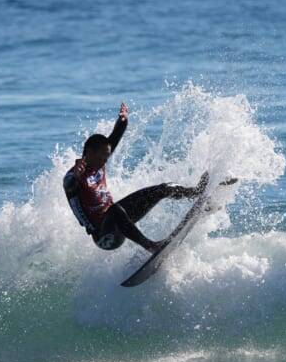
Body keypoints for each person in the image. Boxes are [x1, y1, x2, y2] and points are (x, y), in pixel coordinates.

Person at [63, 102, 208, 253]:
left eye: (107, 156)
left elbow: (115, 135)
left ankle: (196, 192)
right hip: (105, 237)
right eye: (103, 157)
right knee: (114, 210)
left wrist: (123, 120)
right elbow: (69, 184)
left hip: (120, 222)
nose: (105, 161)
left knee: (163, 189)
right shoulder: (73, 176)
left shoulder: (98, 161)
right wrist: (76, 176)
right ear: (90, 153)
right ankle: (150, 246)